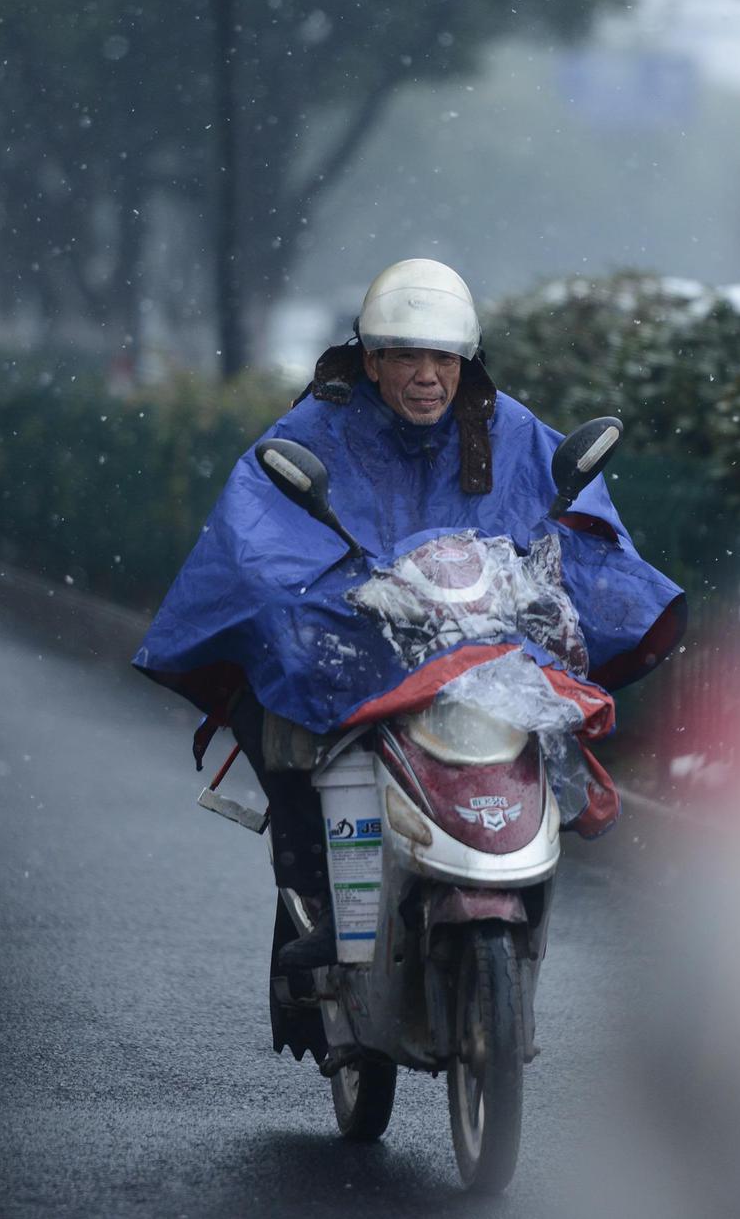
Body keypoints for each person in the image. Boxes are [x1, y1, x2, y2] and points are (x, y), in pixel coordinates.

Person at [134, 258, 685, 969]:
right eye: (406, 357)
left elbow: (571, 527)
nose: (428, 376)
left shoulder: (510, 429)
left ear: (466, 363)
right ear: (371, 361)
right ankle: (317, 889)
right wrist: (324, 606)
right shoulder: (318, 427)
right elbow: (258, 543)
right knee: (274, 706)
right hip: (361, 646)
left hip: (481, 648)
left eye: (444, 359)